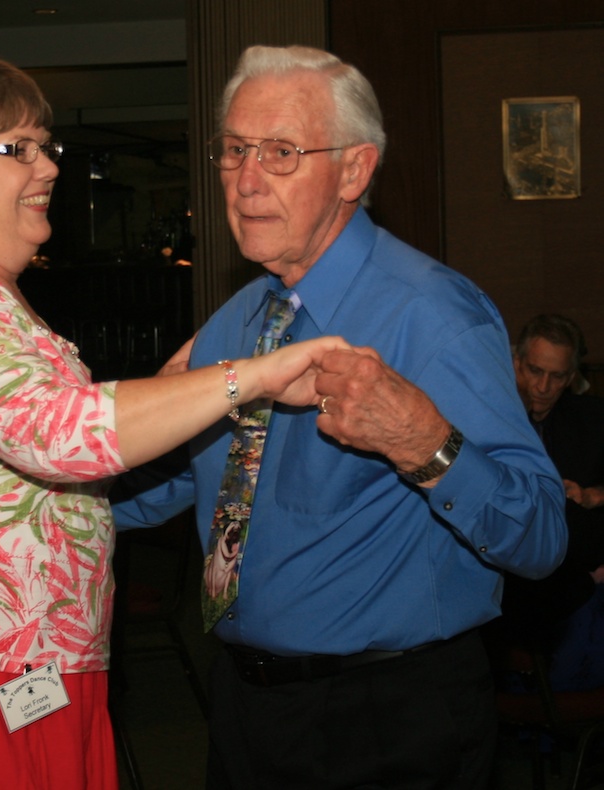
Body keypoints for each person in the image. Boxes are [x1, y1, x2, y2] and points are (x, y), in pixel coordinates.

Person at [0, 55, 348, 790]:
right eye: (17, 149)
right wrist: (256, 376)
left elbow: (55, 440)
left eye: (45, 144)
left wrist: (175, 387)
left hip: (20, 664)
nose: (50, 166)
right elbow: (61, 435)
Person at [111, 45, 567, 789]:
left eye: (281, 153)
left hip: (387, 718)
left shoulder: (432, 316)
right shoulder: (234, 326)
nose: (246, 179)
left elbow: (544, 535)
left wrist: (427, 444)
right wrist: (34, 491)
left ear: (355, 170)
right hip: (243, 706)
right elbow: (172, 483)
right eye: (234, 150)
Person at [499, 314, 604, 690]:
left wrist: (593, 496)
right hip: (513, 581)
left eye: (557, 376)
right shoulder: (493, 420)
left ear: (572, 376)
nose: (543, 386)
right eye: (534, 370)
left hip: (579, 571)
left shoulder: (591, 420)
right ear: (516, 364)